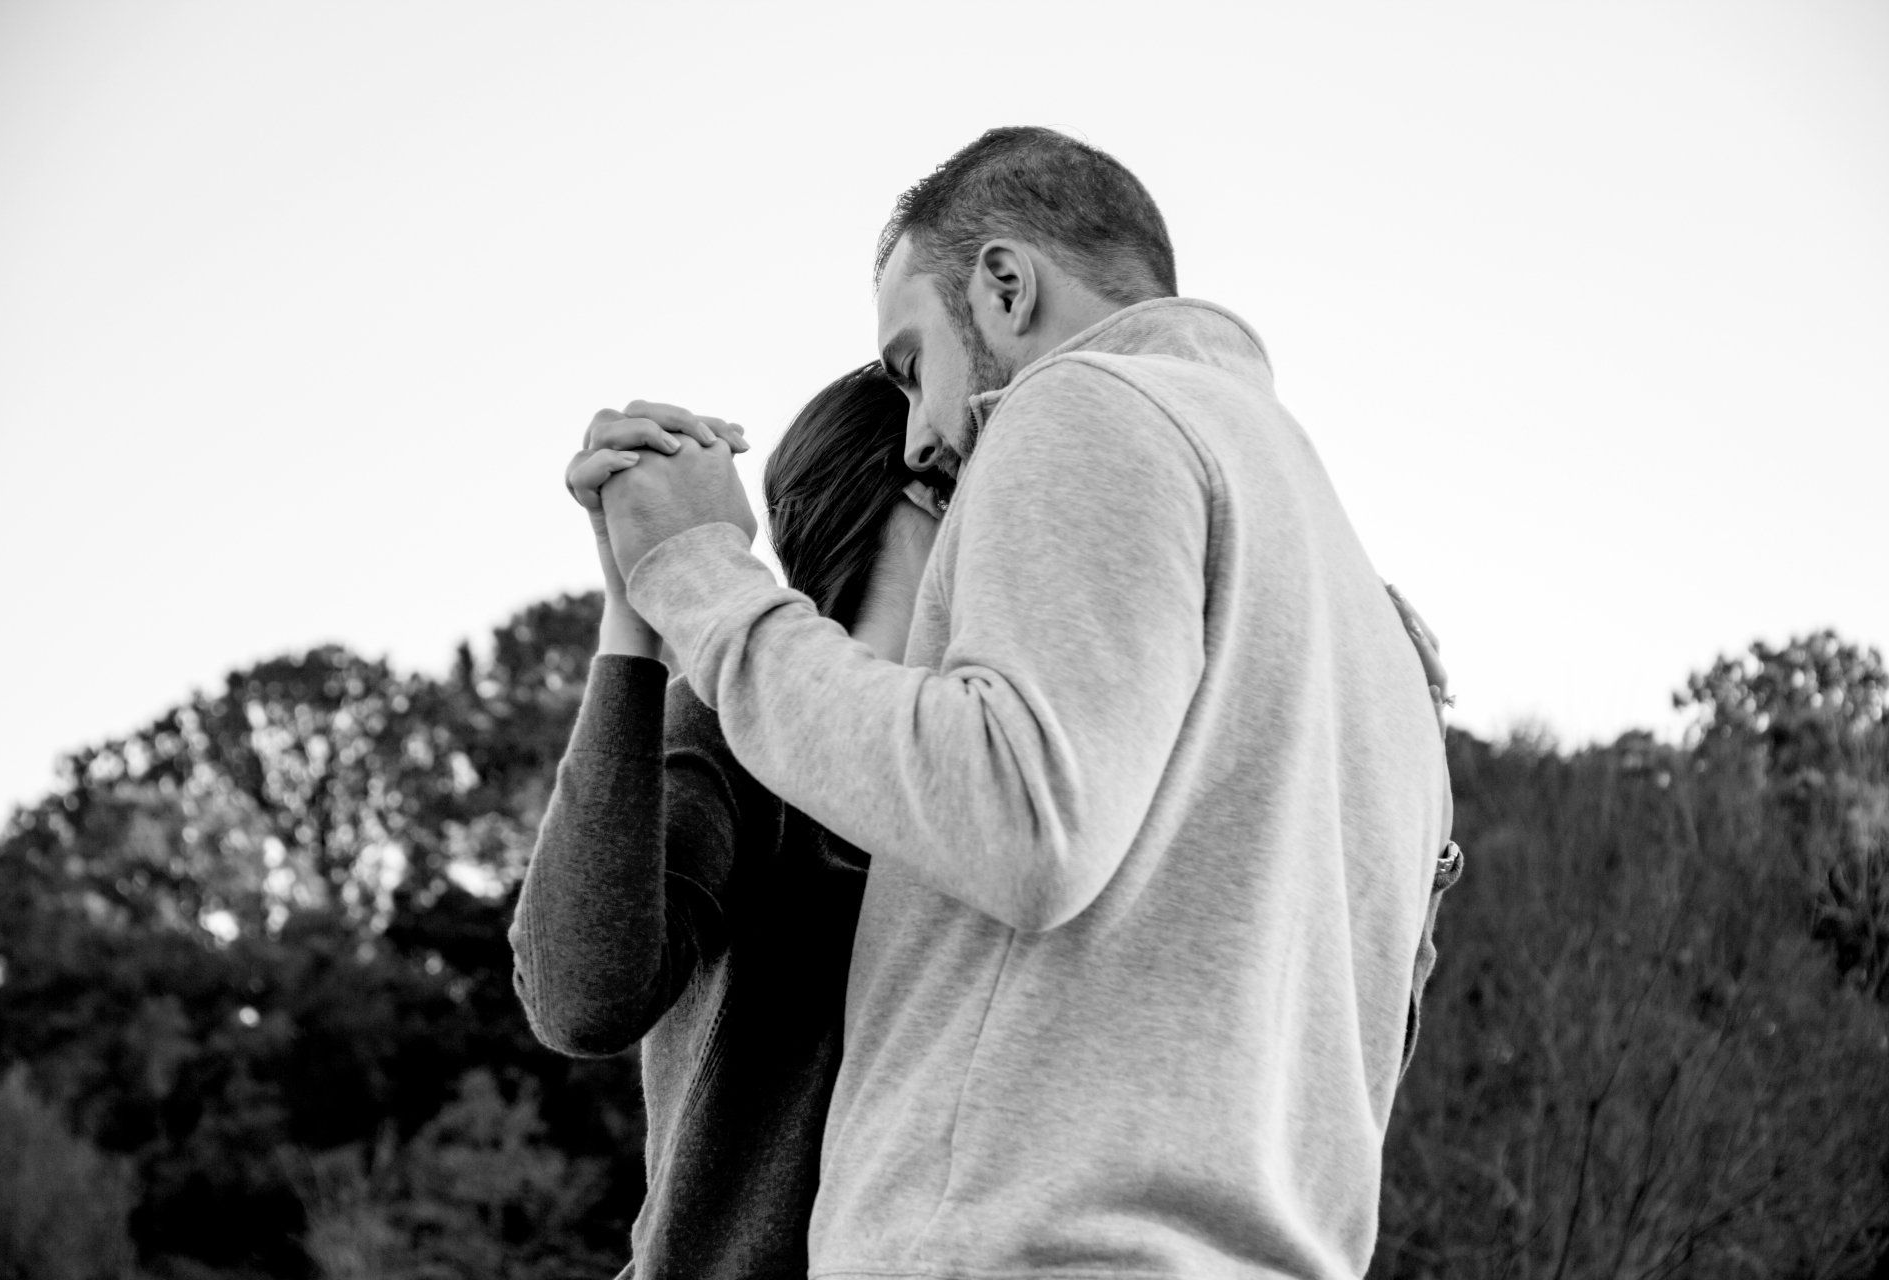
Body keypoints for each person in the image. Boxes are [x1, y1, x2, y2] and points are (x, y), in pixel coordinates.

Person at [594, 125, 1454, 1279]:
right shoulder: (1368, 626)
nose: (921, 433)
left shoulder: (1080, 404)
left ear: (1004, 285)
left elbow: (1018, 815)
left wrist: (696, 570)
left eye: (911, 366)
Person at [509, 367, 945, 1279]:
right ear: (930, 491)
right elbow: (582, 998)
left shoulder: (1012, 768)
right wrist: (639, 604)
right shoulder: (736, 728)